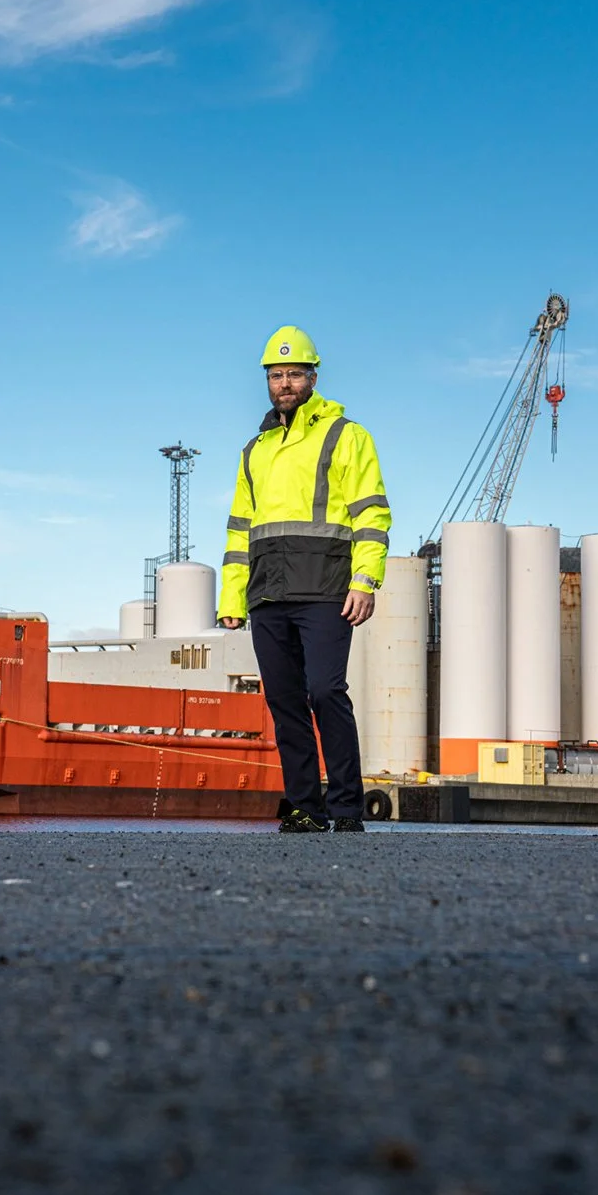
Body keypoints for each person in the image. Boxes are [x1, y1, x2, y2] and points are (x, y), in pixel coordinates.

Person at [217, 326, 391, 833]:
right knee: (284, 700)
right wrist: (232, 596)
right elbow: (238, 530)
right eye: (276, 374)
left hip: (325, 589)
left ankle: (345, 807)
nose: (284, 383)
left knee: (324, 691)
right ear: (267, 381)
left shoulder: (346, 435)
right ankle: (303, 806)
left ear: (313, 376)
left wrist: (366, 579)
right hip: (268, 592)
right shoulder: (254, 450)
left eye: (294, 373)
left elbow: (371, 513)